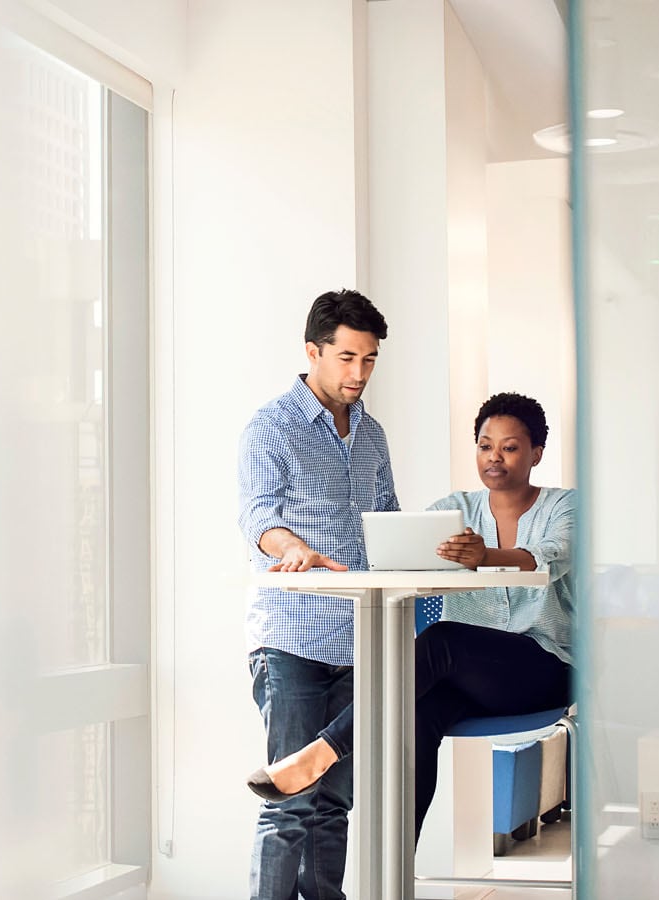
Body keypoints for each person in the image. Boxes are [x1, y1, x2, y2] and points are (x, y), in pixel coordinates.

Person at [248, 391, 575, 841]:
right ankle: (401, 868)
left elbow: (553, 555)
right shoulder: (452, 513)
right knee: (417, 715)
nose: (494, 457)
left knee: (441, 640)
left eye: (510, 447)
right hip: (472, 685)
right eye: (485, 446)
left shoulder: (564, 507)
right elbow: (399, 554)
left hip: (544, 671)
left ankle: (323, 751)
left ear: (536, 453)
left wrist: (486, 556)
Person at [237, 289, 399, 900]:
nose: (359, 373)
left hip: (357, 640)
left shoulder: (372, 435)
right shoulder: (271, 428)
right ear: (313, 351)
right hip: (292, 642)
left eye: (369, 360)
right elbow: (259, 516)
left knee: (334, 805)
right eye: (347, 358)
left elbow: (387, 519)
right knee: (289, 806)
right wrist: (291, 547)